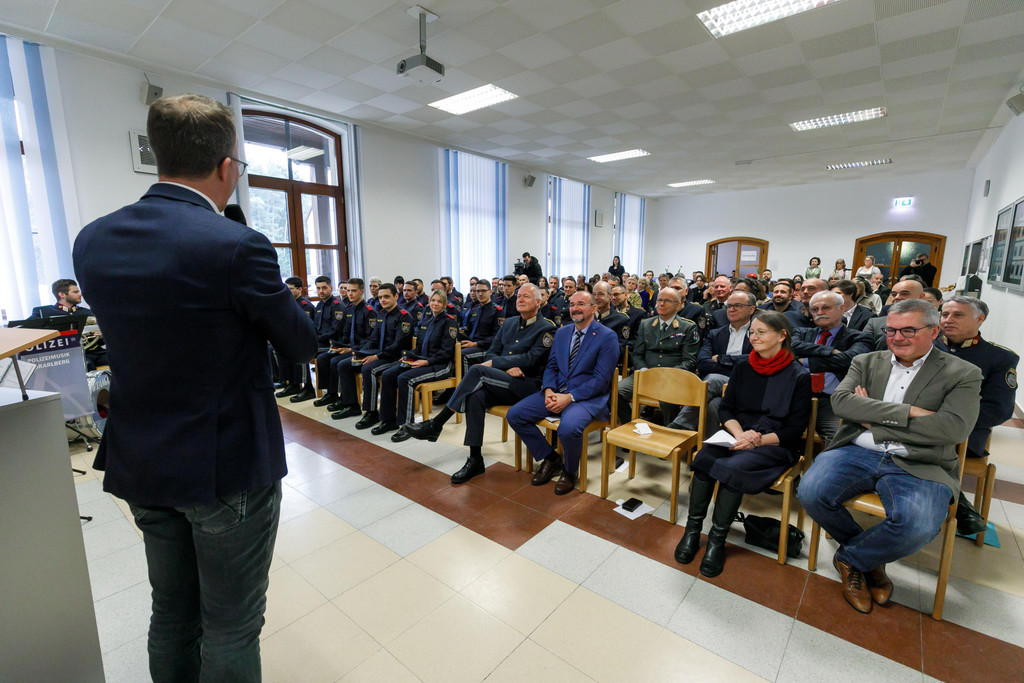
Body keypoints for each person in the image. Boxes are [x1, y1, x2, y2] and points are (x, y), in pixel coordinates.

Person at [72, 94, 318, 680]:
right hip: (223, 462)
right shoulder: (236, 244)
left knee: (172, 611)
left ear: (158, 156)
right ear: (226, 167)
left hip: (141, 456)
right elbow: (301, 344)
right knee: (230, 624)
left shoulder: (92, 239)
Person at [797, 299, 982, 614]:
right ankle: (871, 560)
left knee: (918, 526)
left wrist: (873, 418)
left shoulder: (962, 372)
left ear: (934, 331)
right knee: (811, 493)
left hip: (920, 460)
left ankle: (852, 559)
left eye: (909, 330)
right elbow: (842, 403)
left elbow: (952, 428)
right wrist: (910, 413)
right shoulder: (867, 362)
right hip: (857, 449)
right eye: (892, 331)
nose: (897, 338)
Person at [674, 311, 811, 577]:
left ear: (782, 336)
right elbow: (726, 409)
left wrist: (756, 440)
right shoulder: (744, 367)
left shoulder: (799, 376)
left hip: (774, 443)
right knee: (704, 458)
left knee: (732, 469)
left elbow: (794, 430)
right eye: (752, 332)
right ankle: (692, 531)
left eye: (761, 332)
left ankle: (716, 540)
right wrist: (740, 435)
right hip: (737, 434)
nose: (754, 337)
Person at [405, 284, 555, 484]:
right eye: (519, 296)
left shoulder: (547, 327)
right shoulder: (509, 323)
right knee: (475, 397)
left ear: (538, 302)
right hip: (503, 379)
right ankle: (475, 459)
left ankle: (437, 423)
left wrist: (497, 364)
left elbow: (531, 359)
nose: (520, 299)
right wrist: (504, 367)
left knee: (477, 371)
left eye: (526, 297)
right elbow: (491, 352)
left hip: (527, 384)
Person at [507, 291, 619, 495]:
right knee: (515, 415)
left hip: (585, 397)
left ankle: (570, 470)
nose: (575, 308)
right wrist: (549, 389)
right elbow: (551, 366)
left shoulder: (607, 336)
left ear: (594, 308)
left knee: (568, 429)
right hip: (556, 391)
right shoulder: (562, 332)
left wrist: (570, 397)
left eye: (581, 304)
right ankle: (551, 459)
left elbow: (601, 380)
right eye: (572, 304)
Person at [935, 296, 1019, 534]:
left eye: (958, 315)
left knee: (926, 445)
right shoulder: (926, 345)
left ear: (980, 319)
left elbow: (998, 409)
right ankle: (959, 502)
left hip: (965, 434)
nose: (948, 320)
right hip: (919, 423)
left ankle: (950, 504)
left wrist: (947, 421)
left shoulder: (998, 357)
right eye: (945, 314)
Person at [374, 290, 457, 441]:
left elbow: (446, 352)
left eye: (439, 301)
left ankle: (407, 425)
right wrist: (409, 356)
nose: (435, 304)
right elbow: (418, 347)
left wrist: (427, 361)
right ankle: (388, 420)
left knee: (405, 379)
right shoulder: (426, 320)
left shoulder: (449, 322)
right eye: (433, 300)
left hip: (440, 365)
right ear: (429, 302)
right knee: (388, 375)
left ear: (445, 305)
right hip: (421, 360)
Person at [331, 283, 414, 426]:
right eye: (380, 297)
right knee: (344, 365)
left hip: (395, 357)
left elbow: (398, 345)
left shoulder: (404, 317)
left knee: (369, 369)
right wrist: (357, 352)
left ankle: (371, 412)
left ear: (396, 296)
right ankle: (352, 405)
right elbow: (373, 339)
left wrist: (377, 356)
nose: (383, 300)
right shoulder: (381, 314)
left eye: (386, 297)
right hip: (379, 353)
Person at [791, 292, 871, 439]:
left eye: (826, 308)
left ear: (842, 309)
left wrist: (805, 361)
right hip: (796, 397)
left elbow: (849, 360)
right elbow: (791, 349)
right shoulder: (801, 332)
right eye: (814, 309)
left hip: (832, 400)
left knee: (839, 438)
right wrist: (830, 351)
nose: (819, 313)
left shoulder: (858, 337)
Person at [616, 287, 699, 426]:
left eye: (667, 301)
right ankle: (632, 426)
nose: (661, 304)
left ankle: (671, 432)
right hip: (646, 374)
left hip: (672, 378)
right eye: (659, 300)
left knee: (667, 398)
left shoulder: (687, 327)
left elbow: (689, 361)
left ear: (678, 305)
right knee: (617, 391)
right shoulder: (646, 324)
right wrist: (643, 370)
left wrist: (667, 375)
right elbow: (637, 354)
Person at [313, 278, 374, 409]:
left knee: (338, 362)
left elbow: (370, 339)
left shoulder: (369, 311)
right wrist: (339, 345)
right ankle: (332, 393)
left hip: (362, 350)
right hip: (350, 347)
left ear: (362, 291)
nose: (349, 293)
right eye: (348, 290)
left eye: (353, 291)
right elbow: (345, 334)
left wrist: (352, 349)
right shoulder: (349, 309)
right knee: (324, 357)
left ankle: (349, 402)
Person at [31, 278, 109, 370]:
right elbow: (27, 329)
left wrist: (103, 336)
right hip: (68, 355)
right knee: (86, 364)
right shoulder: (44, 312)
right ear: (61, 294)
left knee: (120, 359)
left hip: (95, 352)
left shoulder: (88, 312)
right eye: (75, 292)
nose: (80, 294)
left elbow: (99, 341)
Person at [275, 276, 317, 399]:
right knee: (279, 349)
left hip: (306, 340)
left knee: (299, 350)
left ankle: (308, 388)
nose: (288, 292)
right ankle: (292, 383)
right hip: (293, 339)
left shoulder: (305, 305)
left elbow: (305, 328)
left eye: (291, 289)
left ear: (299, 289)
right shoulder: (289, 304)